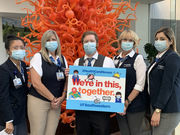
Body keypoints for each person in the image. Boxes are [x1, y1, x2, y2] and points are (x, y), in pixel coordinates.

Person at [65, 31, 115, 135]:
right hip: (82, 111)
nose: (89, 43)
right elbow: (74, 84)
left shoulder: (107, 61)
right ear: (82, 44)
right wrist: (69, 76)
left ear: (97, 43)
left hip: (100, 111)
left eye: (91, 41)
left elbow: (113, 85)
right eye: (86, 41)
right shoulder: (77, 62)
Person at [28, 30, 68, 135]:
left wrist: (62, 97)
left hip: (56, 103)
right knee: (37, 132)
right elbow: (36, 83)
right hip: (39, 101)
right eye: (48, 40)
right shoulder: (38, 57)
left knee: (50, 132)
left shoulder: (62, 59)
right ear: (44, 43)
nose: (51, 42)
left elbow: (67, 81)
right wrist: (53, 99)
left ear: (58, 42)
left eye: (53, 40)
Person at [145, 27, 180, 135]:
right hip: (157, 106)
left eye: (162, 39)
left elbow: (167, 85)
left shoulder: (172, 57)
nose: (158, 41)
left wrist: (158, 109)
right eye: (156, 39)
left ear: (171, 41)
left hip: (167, 109)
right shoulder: (159, 57)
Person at [113, 30, 147, 135]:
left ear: (134, 43)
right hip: (119, 104)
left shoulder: (138, 58)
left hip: (134, 105)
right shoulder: (115, 59)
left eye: (130, 40)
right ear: (120, 42)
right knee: (124, 132)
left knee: (135, 132)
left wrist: (126, 103)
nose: (127, 42)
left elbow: (140, 85)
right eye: (125, 39)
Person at [0, 35, 28, 135]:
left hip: (21, 114)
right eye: (15, 48)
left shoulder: (23, 65)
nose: (19, 50)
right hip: (9, 116)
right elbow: (3, 96)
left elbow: (24, 88)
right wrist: (8, 120)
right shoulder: (4, 69)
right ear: (8, 51)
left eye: (21, 47)